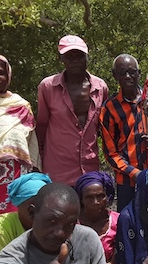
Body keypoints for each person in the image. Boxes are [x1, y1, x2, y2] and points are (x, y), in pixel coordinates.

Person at [0, 54, 40, 257]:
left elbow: (32, 146)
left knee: (22, 229)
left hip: (18, 184)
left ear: (8, 76)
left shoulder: (20, 107)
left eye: (0, 72)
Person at [36, 35, 108, 186]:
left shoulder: (100, 87)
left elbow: (103, 127)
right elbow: (41, 127)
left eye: (79, 56)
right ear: (61, 59)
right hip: (58, 168)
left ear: (87, 57)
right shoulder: (48, 87)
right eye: (69, 57)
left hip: (90, 167)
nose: (75, 61)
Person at [101, 54, 148, 211]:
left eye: (132, 72)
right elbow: (110, 153)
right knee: (128, 221)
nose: (128, 76)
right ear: (115, 76)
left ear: (139, 73)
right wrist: (135, 173)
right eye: (122, 73)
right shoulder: (109, 108)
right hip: (127, 181)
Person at [74, 171, 118, 264]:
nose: (95, 202)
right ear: (81, 199)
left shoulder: (117, 221)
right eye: (89, 197)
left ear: (107, 197)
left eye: (100, 196)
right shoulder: (72, 223)